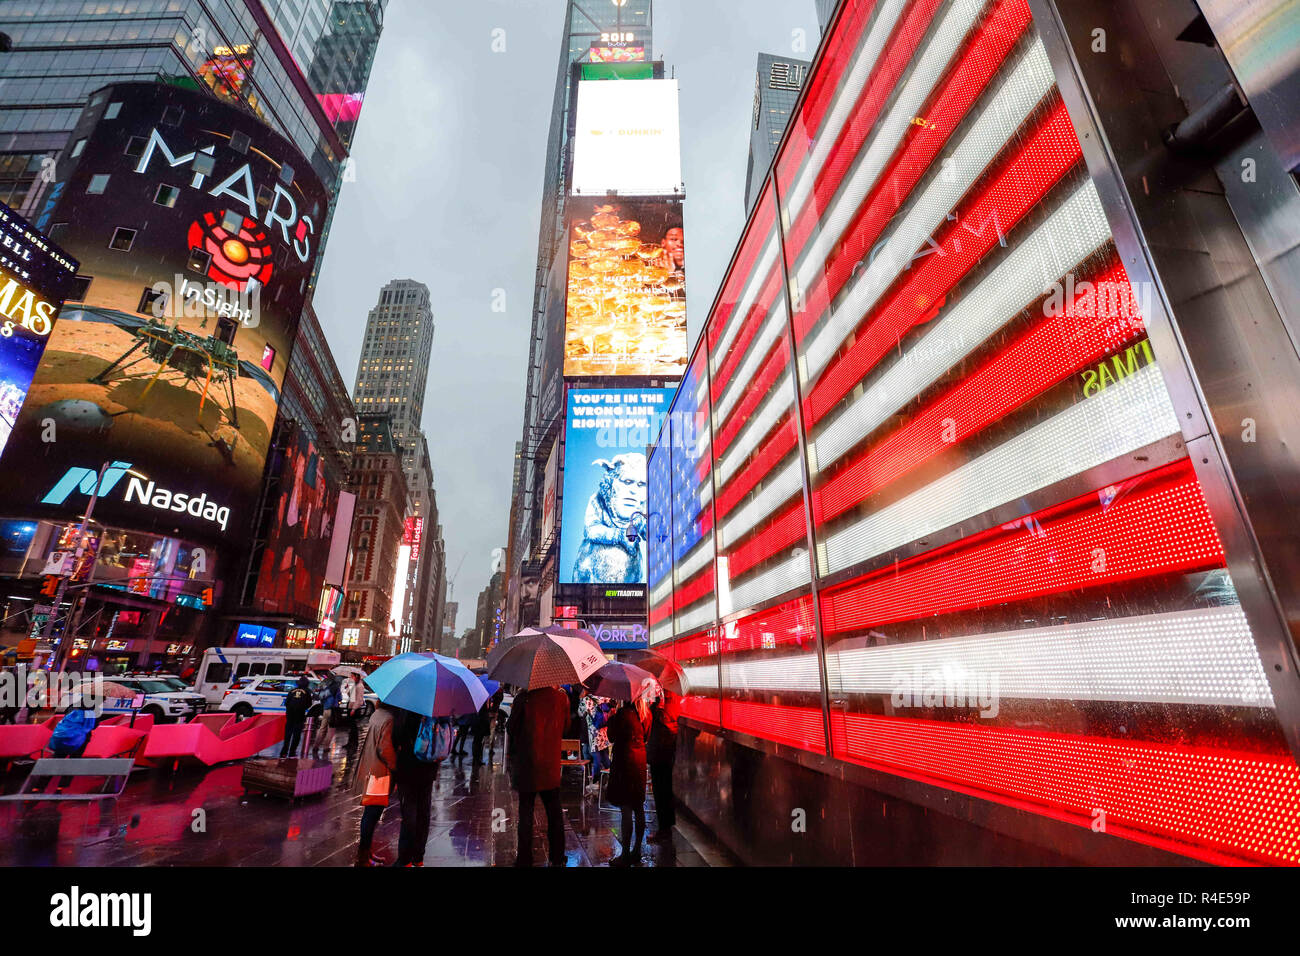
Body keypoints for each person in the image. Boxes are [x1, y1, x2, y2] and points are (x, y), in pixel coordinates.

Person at [506, 685, 569, 867]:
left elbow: (511, 728)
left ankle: (525, 858)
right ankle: (557, 857)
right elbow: (566, 727)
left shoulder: (524, 698)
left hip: (528, 765)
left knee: (526, 812)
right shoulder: (560, 698)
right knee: (554, 813)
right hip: (550, 765)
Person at [390, 709, 442, 867]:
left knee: (409, 813)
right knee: (424, 812)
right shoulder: (436, 712)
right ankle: (418, 856)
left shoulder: (408, 710)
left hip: (409, 768)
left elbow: (396, 736)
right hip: (428, 769)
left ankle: (404, 858)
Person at [605, 690, 650, 866]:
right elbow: (645, 737)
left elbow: (611, 737)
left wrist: (611, 718)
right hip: (639, 762)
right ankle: (637, 850)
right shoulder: (646, 714)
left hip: (625, 763)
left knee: (626, 810)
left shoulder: (623, 714)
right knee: (639, 807)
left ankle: (625, 854)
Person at [353, 702, 397, 867]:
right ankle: (363, 856)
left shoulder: (377, 714)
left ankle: (366, 852)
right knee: (372, 814)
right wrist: (395, 766)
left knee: (370, 813)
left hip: (371, 768)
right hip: (380, 772)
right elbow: (385, 749)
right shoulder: (389, 719)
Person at [645, 680, 679, 843]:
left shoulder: (662, 708)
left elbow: (661, 722)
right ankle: (666, 826)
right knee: (664, 791)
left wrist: (653, 707)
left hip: (660, 754)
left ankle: (664, 830)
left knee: (661, 791)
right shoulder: (671, 706)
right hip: (665, 752)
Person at [311, 672, 342, 758]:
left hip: (325, 709)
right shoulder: (336, 687)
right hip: (333, 710)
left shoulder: (323, 686)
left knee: (322, 728)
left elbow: (319, 696)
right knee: (331, 730)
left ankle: (316, 746)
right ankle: (326, 747)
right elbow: (340, 698)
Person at [280, 676, 312, 758]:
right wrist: (303, 708)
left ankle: (284, 751)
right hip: (300, 713)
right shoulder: (307, 691)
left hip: (290, 713)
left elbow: (286, 702)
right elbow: (309, 703)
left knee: (288, 733)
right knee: (297, 733)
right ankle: (292, 751)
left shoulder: (291, 691)